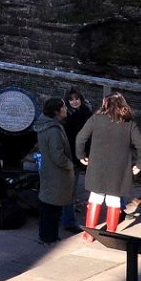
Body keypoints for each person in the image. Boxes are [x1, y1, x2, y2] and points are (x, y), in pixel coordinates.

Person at [74, 91, 141, 241]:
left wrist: (81, 156)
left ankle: (89, 234)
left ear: (105, 103)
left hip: (97, 167)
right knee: (114, 200)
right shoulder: (129, 124)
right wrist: (139, 165)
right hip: (119, 169)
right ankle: (111, 235)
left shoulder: (96, 119)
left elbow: (80, 138)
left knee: (95, 198)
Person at [34, 97, 76, 246]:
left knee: (47, 204)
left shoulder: (46, 126)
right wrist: (69, 165)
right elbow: (57, 154)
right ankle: (48, 237)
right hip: (56, 173)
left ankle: (46, 235)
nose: (66, 109)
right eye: (63, 107)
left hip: (48, 170)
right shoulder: (53, 130)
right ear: (56, 112)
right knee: (52, 207)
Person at [60, 87, 93, 232]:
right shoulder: (66, 118)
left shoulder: (86, 113)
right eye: (71, 99)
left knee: (71, 189)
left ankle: (67, 216)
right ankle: (68, 220)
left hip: (82, 156)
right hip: (71, 156)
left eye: (77, 99)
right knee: (69, 190)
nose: (74, 102)